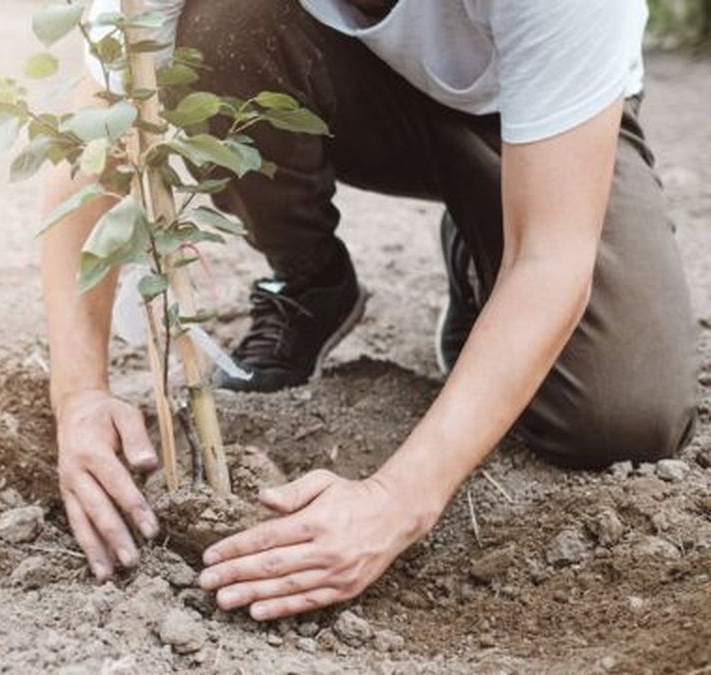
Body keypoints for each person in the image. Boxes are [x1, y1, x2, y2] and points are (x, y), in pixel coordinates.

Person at [40, 0, 697, 621]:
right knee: (221, 27)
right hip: (347, 87)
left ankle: (488, 249)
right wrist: (79, 397)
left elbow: (552, 259)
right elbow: (95, 129)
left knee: (620, 413)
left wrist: (396, 502)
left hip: (532, 126)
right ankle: (310, 280)